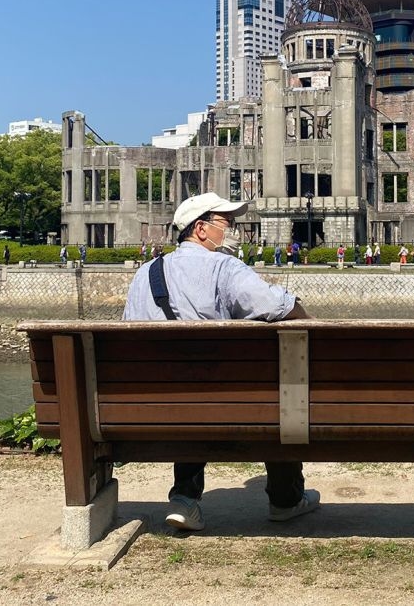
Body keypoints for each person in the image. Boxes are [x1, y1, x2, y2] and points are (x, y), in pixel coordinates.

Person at [123, 192, 319, 533]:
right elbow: (277, 307)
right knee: (277, 399)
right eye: (226, 224)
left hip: (151, 404)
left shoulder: (145, 273)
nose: (233, 231)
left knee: (188, 390)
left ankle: (185, 497)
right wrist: (307, 315)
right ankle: (285, 500)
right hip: (226, 402)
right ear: (200, 229)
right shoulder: (224, 267)